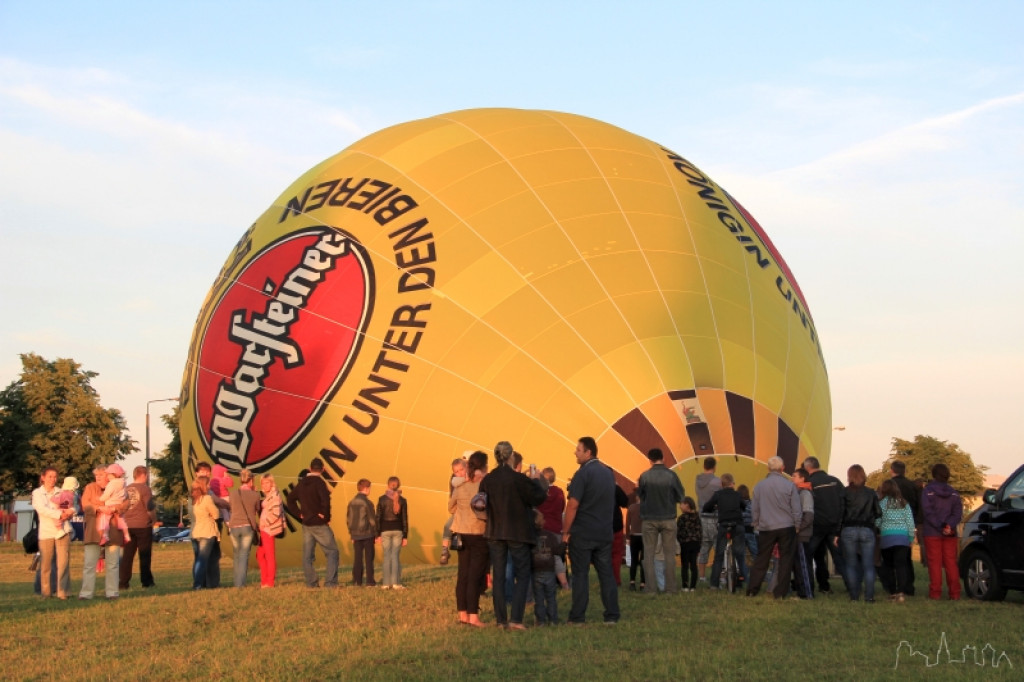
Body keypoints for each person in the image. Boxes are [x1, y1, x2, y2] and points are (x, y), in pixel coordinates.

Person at [480, 440, 548, 629]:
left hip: (494, 532)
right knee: (522, 574)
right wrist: (535, 480)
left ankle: (501, 620)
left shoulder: (488, 480)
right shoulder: (519, 479)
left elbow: (480, 502)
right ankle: (516, 619)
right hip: (518, 532)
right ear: (511, 457)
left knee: (499, 576)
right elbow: (539, 497)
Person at [562, 436, 619, 625]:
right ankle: (611, 614)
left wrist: (565, 531)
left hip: (583, 533)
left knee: (580, 575)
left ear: (588, 452)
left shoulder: (583, 473)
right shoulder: (608, 473)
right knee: (606, 574)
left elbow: (573, 505)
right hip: (604, 532)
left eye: (578, 450)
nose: (575, 453)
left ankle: (578, 616)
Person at [746, 457, 802, 599]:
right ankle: (780, 592)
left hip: (766, 526)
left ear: (768, 468)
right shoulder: (789, 486)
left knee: (762, 559)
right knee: (785, 560)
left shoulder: (759, 486)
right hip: (786, 526)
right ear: (782, 468)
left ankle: (752, 589)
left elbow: (755, 508)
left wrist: (756, 523)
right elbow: (796, 508)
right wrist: (797, 524)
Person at [286, 457, 340, 588]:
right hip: (319, 523)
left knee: (307, 556)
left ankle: (311, 582)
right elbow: (325, 501)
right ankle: (330, 582)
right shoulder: (320, 483)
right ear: (323, 469)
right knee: (332, 552)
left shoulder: (302, 483)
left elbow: (290, 499)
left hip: (306, 524)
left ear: (310, 469)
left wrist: (299, 514)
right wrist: (326, 517)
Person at [449, 451, 489, 626]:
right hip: (478, 533)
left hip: (461, 533)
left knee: (463, 574)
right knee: (475, 575)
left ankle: (462, 614)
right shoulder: (483, 486)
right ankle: (474, 616)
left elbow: (450, 508)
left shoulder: (460, 487)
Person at [638, 447, 685, 594]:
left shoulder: (644, 476)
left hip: (649, 519)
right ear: (663, 458)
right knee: (669, 554)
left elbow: (641, 496)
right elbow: (680, 496)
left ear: (650, 460)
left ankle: (651, 588)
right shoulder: (671, 475)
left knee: (649, 554)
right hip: (668, 518)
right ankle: (670, 588)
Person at [79, 465, 129, 599]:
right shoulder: (90, 488)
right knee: (89, 563)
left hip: (113, 529)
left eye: (101, 475)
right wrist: (100, 508)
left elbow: (126, 504)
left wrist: (114, 508)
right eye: (96, 475)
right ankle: (86, 593)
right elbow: (85, 505)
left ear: (108, 475)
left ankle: (112, 592)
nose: (98, 478)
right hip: (94, 531)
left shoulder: (118, 486)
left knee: (112, 564)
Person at [837, 464, 881, 602]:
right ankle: (869, 596)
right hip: (867, 529)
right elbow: (879, 512)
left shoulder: (844, 492)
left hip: (848, 529)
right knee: (868, 564)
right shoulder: (871, 492)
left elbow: (840, 514)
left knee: (851, 564)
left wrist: (837, 533)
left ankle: (854, 596)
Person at [802, 456, 845, 595]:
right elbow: (844, 500)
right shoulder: (835, 481)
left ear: (807, 468)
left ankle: (813, 586)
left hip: (817, 526)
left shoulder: (809, 483)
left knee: (812, 556)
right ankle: (852, 587)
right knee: (839, 558)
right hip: (834, 526)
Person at [921, 463, 962, 600]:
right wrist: (948, 525)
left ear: (934, 475)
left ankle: (935, 592)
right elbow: (957, 513)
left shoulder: (928, 491)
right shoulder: (954, 493)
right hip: (950, 533)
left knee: (934, 563)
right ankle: (955, 593)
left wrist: (940, 525)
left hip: (932, 532)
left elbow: (928, 512)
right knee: (951, 563)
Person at [32, 467, 75, 599]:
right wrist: (60, 514)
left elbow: (74, 504)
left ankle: (63, 592)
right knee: (46, 563)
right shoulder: (37, 493)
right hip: (46, 532)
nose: (53, 479)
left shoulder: (61, 491)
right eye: (50, 476)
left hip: (63, 531)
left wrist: (70, 511)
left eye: (55, 477)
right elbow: (42, 509)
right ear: (43, 477)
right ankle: (46, 592)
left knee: (63, 562)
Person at [703, 472, 746, 591]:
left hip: (723, 525)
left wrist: (714, 508)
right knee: (739, 553)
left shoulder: (718, 495)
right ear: (732, 483)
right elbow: (744, 506)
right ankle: (741, 578)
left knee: (719, 555)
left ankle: (714, 584)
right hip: (737, 525)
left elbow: (706, 507)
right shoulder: (737, 494)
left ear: (722, 484)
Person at [876, 479, 915, 602]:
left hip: (887, 537)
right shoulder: (904, 503)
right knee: (901, 565)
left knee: (888, 566)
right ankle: (901, 591)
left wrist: (880, 530)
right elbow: (910, 522)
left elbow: (877, 521)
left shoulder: (882, 504)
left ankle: (892, 591)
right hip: (902, 538)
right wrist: (910, 538)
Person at [119, 465, 156, 590]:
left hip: (127, 526)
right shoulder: (145, 489)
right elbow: (149, 507)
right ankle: (146, 581)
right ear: (144, 475)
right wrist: (154, 520)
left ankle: (123, 582)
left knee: (127, 556)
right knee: (144, 554)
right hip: (143, 525)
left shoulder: (126, 489)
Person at [888, 460, 920, 596]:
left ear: (892, 470)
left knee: (892, 558)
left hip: (891, 524)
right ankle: (909, 585)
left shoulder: (889, 485)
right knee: (906, 557)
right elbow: (917, 504)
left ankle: (895, 585)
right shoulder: (911, 485)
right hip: (908, 523)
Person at [536, 466, 569, 589]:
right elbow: (561, 509)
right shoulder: (560, 492)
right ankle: (562, 583)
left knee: (544, 558)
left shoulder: (540, 492)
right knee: (556, 556)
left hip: (543, 528)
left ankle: (555, 583)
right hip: (556, 528)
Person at [227, 468, 261, 587]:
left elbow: (230, 508)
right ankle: (240, 584)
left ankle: (236, 582)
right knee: (244, 555)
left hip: (234, 526)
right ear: (251, 481)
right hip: (247, 526)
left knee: (236, 554)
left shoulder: (233, 493)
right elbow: (258, 509)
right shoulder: (255, 495)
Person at [531, 510, 564, 626]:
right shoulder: (550, 536)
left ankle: (540, 621)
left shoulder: (529, 536)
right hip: (549, 570)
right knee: (551, 597)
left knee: (539, 598)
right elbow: (557, 551)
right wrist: (564, 543)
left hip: (535, 570)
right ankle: (553, 619)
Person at [376, 476, 409, 590]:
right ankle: (395, 583)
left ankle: (385, 583)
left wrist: (377, 534)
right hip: (398, 529)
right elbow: (405, 519)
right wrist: (405, 536)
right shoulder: (403, 500)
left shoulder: (381, 499)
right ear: (398, 486)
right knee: (395, 556)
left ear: (388, 485)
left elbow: (378, 517)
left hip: (385, 530)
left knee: (386, 556)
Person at [190, 477, 221, 590]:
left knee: (198, 559)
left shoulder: (193, 500)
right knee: (203, 560)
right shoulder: (207, 498)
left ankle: (200, 582)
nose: (209, 487)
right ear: (204, 486)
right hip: (207, 532)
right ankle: (198, 584)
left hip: (196, 531)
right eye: (208, 485)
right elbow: (216, 514)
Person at [790, 468, 815, 599]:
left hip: (802, 535)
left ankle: (806, 593)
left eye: (794, 476)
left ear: (802, 478)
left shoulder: (805, 494)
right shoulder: (797, 493)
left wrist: (798, 528)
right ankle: (802, 590)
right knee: (798, 564)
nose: (792, 478)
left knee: (803, 564)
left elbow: (809, 515)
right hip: (798, 534)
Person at [695, 456, 721, 583]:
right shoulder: (717, 482)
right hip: (714, 517)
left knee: (704, 547)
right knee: (718, 547)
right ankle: (720, 576)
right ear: (714, 467)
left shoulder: (698, 480)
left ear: (704, 466)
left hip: (701, 517)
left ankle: (702, 576)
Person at [346, 478, 377, 586]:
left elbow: (348, 519)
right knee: (369, 558)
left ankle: (357, 581)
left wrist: (351, 533)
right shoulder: (367, 503)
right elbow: (372, 520)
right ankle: (370, 581)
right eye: (369, 488)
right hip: (367, 533)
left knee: (357, 558)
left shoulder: (351, 502)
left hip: (355, 534)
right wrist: (376, 533)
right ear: (366, 488)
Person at [257, 474, 284, 588]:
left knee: (269, 556)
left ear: (272, 483)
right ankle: (264, 580)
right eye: (263, 483)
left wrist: (265, 522)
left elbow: (276, 513)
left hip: (269, 529)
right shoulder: (268, 495)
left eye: (267, 483)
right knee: (259, 555)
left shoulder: (275, 496)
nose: (265, 485)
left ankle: (269, 581)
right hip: (264, 530)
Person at [440, 459, 467, 565]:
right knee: (447, 526)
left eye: (461, 470)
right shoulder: (455, 482)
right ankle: (444, 550)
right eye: (457, 471)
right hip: (459, 512)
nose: (460, 473)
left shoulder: (472, 480)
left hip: (469, 514)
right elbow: (452, 502)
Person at [98, 462, 132, 545]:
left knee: (104, 520)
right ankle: (126, 536)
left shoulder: (112, 484)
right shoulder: (123, 483)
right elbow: (126, 495)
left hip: (110, 504)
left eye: (108, 474)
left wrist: (100, 499)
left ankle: (105, 536)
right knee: (121, 520)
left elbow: (107, 494)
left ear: (113, 475)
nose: (107, 476)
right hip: (119, 504)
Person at [676, 496, 701, 591]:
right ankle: (693, 586)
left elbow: (678, 532)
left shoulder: (682, 518)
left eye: (681, 504)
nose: (680, 506)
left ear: (687, 505)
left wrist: (679, 540)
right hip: (695, 543)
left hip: (685, 544)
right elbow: (700, 532)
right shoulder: (697, 517)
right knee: (694, 565)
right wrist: (699, 544)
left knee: (685, 565)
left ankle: (685, 585)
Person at [625, 491, 645, 591]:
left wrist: (628, 537)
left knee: (634, 560)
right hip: (645, 536)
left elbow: (627, 524)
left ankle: (632, 582)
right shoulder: (648, 508)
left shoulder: (632, 508)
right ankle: (643, 583)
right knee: (643, 560)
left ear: (637, 497)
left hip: (634, 536)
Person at [611, 483, 629, 586]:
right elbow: (625, 502)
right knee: (617, 554)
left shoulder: (595, 487)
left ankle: (606, 578)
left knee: (604, 554)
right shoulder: (615, 488)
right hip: (616, 525)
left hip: (600, 526)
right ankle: (616, 579)